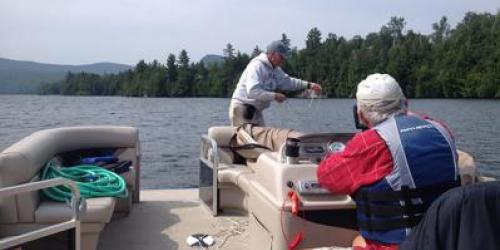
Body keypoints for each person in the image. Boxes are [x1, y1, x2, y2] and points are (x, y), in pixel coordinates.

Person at [316, 73, 461, 249]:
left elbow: (327, 177)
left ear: (360, 115)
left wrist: (340, 153)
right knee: (358, 240)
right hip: (447, 240)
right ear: (406, 103)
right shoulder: (441, 129)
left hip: (400, 245)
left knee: (357, 241)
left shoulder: (370, 143)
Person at [229, 40, 322, 126]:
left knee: (261, 141)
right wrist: (275, 96)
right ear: (273, 54)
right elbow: (253, 91)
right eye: (281, 57)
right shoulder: (257, 66)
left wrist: (310, 85)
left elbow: (289, 82)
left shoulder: (275, 70)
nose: (283, 60)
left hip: (255, 111)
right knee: (249, 142)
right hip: (241, 109)